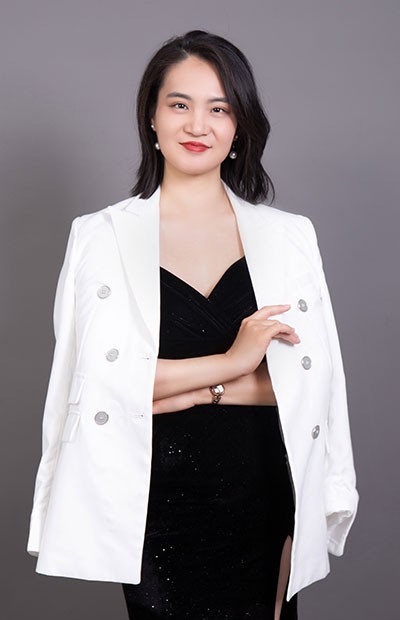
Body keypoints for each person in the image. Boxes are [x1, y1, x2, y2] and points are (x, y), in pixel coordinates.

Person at [26, 30, 359, 620]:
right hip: (149, 504)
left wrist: (180, 388)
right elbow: (96, 387)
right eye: (179, 104)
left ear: (238, 127)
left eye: (219, 108)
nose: (197, 125)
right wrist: (233, 364)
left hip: (267, 496)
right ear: (152, 119)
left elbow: (310, 387)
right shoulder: (99, 236)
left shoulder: (290, 237)